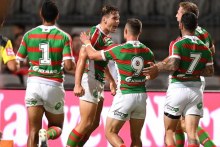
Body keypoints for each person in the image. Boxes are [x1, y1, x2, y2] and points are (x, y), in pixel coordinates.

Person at [81, 18, 155, 147]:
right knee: (136, 138)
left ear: (125, 31)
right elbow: (153, 73)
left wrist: (87, 42)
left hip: (125, 95)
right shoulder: (148, 51)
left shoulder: (119, 49)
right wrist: (144, 78)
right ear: (140, 32)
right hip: (142, 97)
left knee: (110, 132)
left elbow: (92, 55)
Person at [144, 12, 214, 147]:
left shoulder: (177, 44)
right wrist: (193, 70)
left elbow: (173, 64)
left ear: (181, 25)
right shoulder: (205, 48)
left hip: (178, 87)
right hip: (195, 91)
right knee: (192, 134)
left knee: (170, 131)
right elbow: (210, 71)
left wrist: (158, 67)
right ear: (195, 26)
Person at [16, 1, 75, 147]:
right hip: (53, 86)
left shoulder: (29, 35)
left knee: (33, 131)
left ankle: (40, 135)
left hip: (34, 85)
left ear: (40, 14)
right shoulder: (64, 37)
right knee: (57, 127)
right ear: (57, 16)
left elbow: (18, 63)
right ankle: (47, 134)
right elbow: (68, 66)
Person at [66, 5, 119, 147]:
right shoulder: (94, 34)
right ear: (104, 19)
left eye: (118, 19)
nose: (117, 21)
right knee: (85, 123)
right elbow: (82, 59)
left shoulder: (104, 36)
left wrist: (111, 80)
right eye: (114, 18)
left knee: (94, 124)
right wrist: (77, 84)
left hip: (98, 81)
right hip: (89, 79)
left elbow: (100, 60)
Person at [174, 2, 216, 147]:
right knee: (180, 124)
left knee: (186, 125)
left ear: (186, 14)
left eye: (179, 12)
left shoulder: (186, 34)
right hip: (198, 78)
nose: (176, 15)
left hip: (185, 81)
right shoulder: (205, 33)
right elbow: (212, 52)